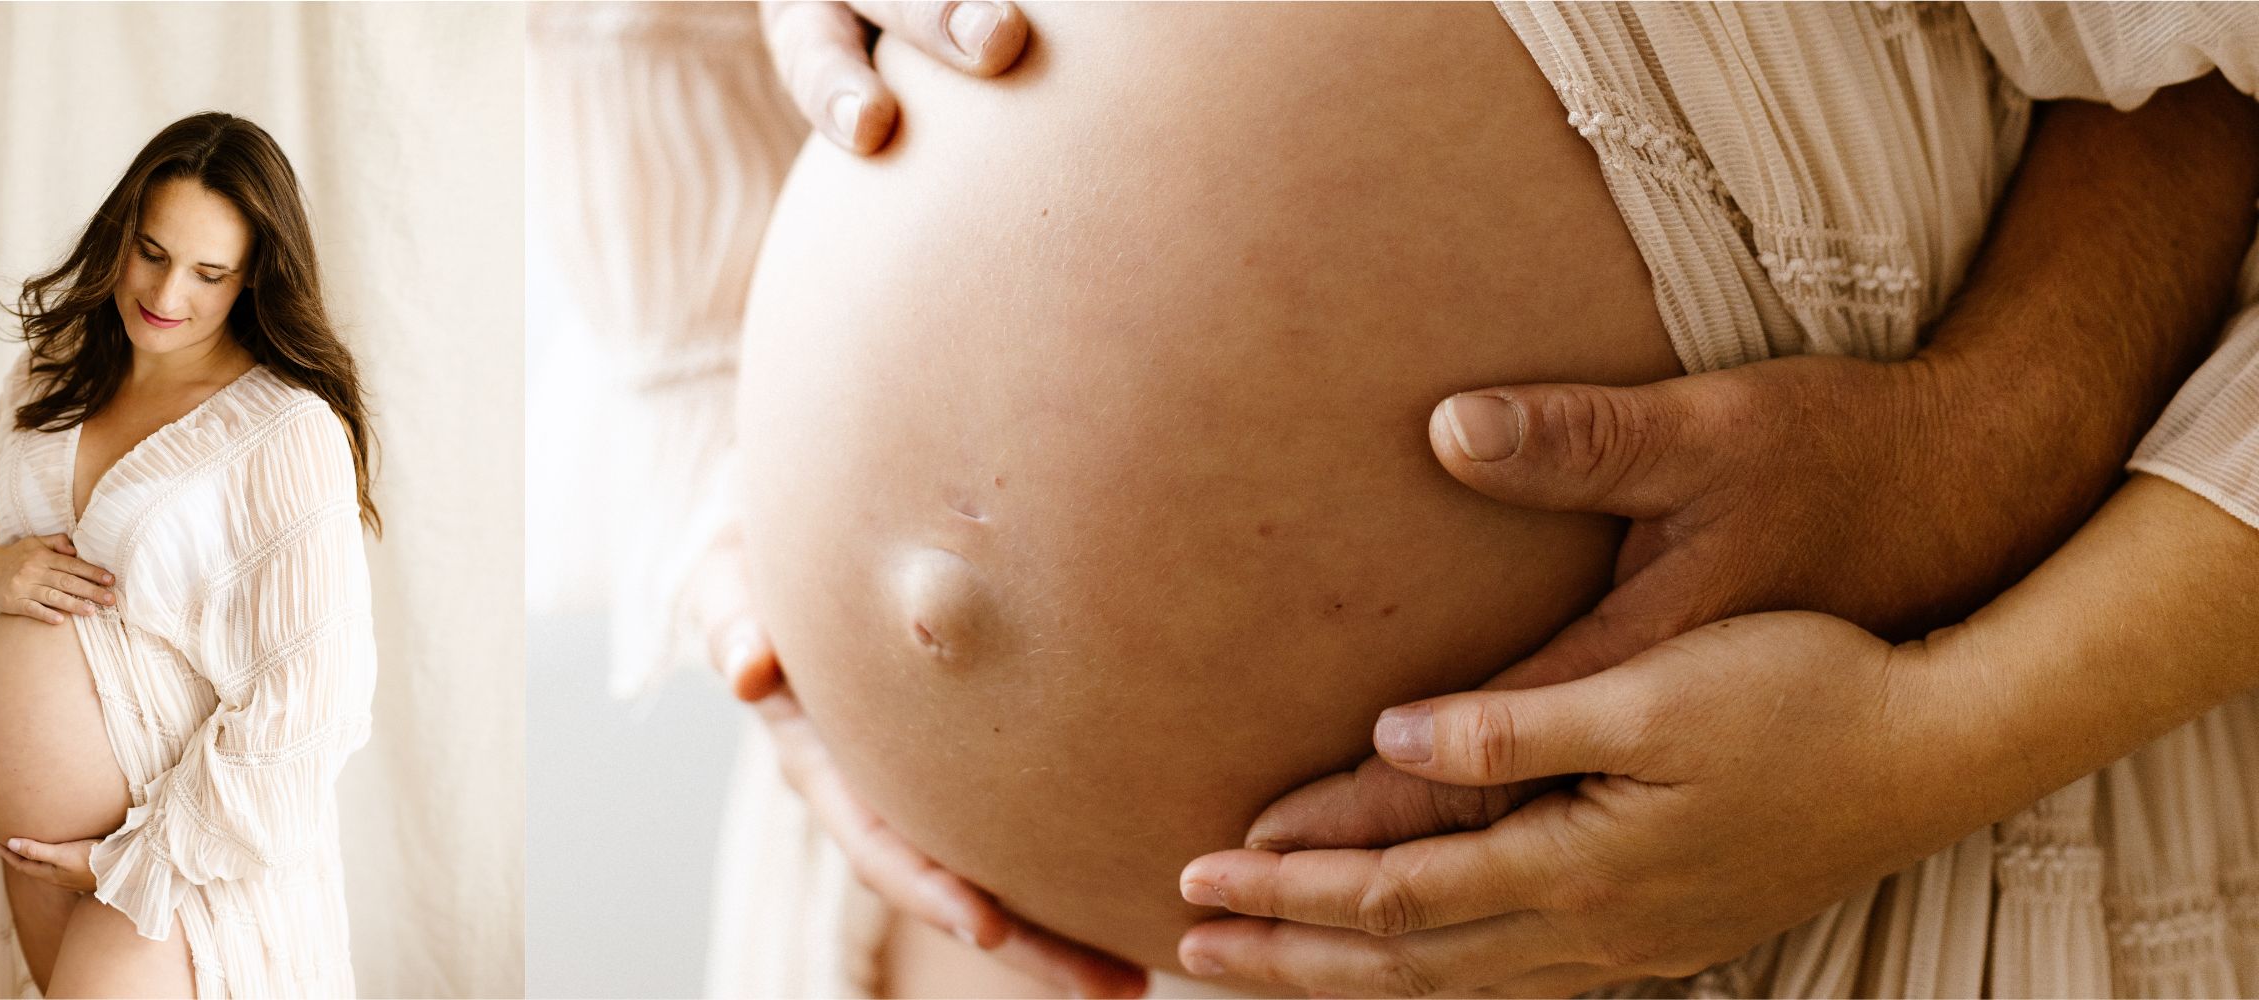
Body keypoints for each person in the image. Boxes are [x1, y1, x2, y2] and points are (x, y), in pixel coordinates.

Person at [686, 3, 2259, 996]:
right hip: (933, 916)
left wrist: (1947, 728)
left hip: (1791, 861)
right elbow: (622, 70)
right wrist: (740, 567)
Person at [0, 112, 379, 998]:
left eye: (209, 273)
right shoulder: (54, 370)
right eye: (152, 250)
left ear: (253, 281)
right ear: (118, 233)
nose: (167, 293)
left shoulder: (285, 430)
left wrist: (136, 859)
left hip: (174, 873)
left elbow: (312, 698)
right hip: (28, 859)